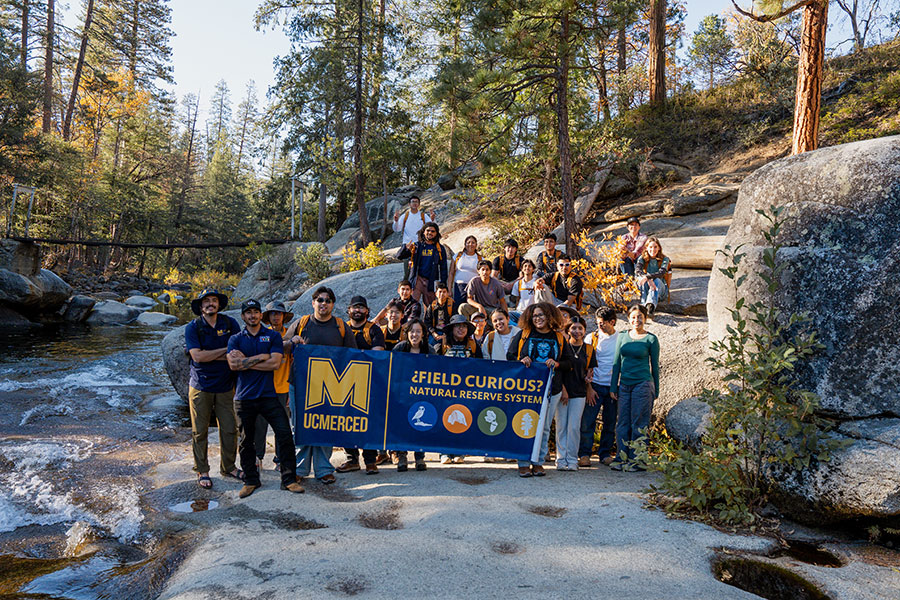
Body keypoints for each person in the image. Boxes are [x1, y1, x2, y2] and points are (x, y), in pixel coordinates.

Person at [227, 299, 304, 498]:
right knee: (246, 440)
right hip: (244, 397)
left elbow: (275, 363)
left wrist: (247, 361)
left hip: (269, 396)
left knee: (285, 434)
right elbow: (234, 366)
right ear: (243, 316)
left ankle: (288, 479)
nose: (252, 315)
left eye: (256, 312)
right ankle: (251, 480)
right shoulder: (235, 339)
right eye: (248, 312)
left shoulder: (272, 336)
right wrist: (263, 357)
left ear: (261, 315)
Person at [293, 286, 358, 483]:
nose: (323, 303)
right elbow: (283, 344)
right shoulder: (301, 323)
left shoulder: (340, 326)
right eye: (320, 300)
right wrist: (292, 340)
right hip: (300, 384)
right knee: (300, 427)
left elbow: (352, 356)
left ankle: (323, 469)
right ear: (313, 303)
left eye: (328, 300)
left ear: (333, 304)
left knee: (325, 426)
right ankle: (299, 470)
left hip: (331, 387)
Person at [184, 288, 242, 489]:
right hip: (201, 386)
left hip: (226, 386)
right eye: (206, 301)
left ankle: (229, 467)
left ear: (219, 304)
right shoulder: (193, 327)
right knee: (199, 432)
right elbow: (197, 357)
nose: (210, 304)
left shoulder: (229, 323)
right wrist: (225, 352)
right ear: (201, 306)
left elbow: (238, 352)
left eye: (214, 300)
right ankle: (202, 470)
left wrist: (210, 354)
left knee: (229, 429)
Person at [507, 302, 574, 478]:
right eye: (535, 315)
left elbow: (569, 362)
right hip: (526, 390)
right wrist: (522, 360)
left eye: (541, 315)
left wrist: (557, 363)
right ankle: (523, 462)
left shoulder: (559, 338)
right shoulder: (524, 334)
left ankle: (537, 463)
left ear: (550, 316)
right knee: (524, 424)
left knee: (544, 428)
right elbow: (510, 356)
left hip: (552, 388)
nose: (538, 319)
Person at [335, 296, 386, 474]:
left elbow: (378, 355)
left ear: (367, 311)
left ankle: (370, 461)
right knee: (345, 422)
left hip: (367, 383)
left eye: (361, 308)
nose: (358, 311)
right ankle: (352, 459)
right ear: (348, 310)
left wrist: (352, 356)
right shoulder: (341, 328)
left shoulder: (373, 330)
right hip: (342, 382)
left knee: (366, 422)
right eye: (354, 308)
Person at [609, 305, 660, 471]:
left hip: (643, 384)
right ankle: (621, 458)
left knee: (639, 422)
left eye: (639, 317)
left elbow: (655, 367)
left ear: (645, 318)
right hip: (624, 384)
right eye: (633, 317)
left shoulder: (651, 339)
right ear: (628, 319)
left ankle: (637, 461)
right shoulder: (623, 336)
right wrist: (613, 386)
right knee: (622, 422)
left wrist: (656, 390)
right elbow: (616, 362)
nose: (636, 320)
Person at [253, 301, 298, 472]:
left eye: (279, 313)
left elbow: (295, 364)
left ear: (284, 316)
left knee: (282, 427)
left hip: (283, 388)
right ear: (267, 317)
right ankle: (258, 458)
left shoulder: (291, 334)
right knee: (260, 425)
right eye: (272, 314)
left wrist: (291, 391)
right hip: (264, 388)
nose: (275, 317)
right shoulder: (262, 334)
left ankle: (280, 459)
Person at [437, 314, 482, 464]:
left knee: (463, 420)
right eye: (458, 326)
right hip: (445, 391)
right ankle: (443, 453)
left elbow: (483, 366)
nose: (461, 329)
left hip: (466, 391)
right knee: (445, 420)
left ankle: (459, 452)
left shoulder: (473, 345)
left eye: (463, 326)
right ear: (452, 329)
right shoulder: (442, 345)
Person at [580, 307, 620, 467]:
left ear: (612, 322)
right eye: (598, 323)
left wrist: (615, 387)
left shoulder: (621, 338)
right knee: (588, 421)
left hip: (613, 386)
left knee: (610, 422)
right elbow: (586, 365)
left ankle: (605, 453)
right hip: (595, 385)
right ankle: (584, 453)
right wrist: (588, 388)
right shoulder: (592, 338)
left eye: (602, 324)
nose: (600, 327)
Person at [556, 316, 597, 471]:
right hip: (562, 391)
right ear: (568, 330)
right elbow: (558, 371)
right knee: (561, 426)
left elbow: (589, 370)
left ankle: (572, 459)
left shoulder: (588, 349)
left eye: (580, 328)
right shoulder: (562, 347)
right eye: (573, 328)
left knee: (574, 426)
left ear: (585, 331)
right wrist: (563, 390)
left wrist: (588, 381)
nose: (577, 331)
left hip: (579, 392)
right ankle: (561, 459)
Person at [391, 318, 431, 471]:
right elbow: (392, 370)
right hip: (402, 395)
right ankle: (402, 456)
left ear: (423, 334)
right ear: (407, 333)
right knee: (402, 425)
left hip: (422, 395)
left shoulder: (429, 349)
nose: (415, 334)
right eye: (412, 331)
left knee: (419, 426)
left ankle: (419, 457)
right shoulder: (400, 348)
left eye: (418, 331)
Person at [396, 222, 448, 305]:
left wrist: (443, 283)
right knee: (411, 304)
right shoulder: (416, 246)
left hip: (431, 280)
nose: (430, 233)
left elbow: (443, 267)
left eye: (433, 231)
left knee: (430, 306)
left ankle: (427, 319)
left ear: (436, 233)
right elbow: (399, 256)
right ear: (423, 232)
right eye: (428, 230)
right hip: (417, 279)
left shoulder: (440, 248)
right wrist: (405, 249)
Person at [393, 195, 436, 281]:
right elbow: (397, 229)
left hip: (420, 245)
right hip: (408, 246)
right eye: (413, 202)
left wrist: (433, 220)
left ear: (419, 204)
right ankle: (406, 291)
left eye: (416, 202)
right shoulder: (405, 216)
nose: (415, 204)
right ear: (409, 204)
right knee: (408, 272)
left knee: (421, 270)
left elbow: (432, 228)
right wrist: (396, 221)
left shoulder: (423, 216)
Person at [635, 236, 670, 315]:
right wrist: (648, 279)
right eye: (650, 247)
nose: (653, 250)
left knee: (656, 280)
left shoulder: (665, 259)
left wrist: (648, 277)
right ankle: (645, 305)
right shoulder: (642, 258)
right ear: (646, 248)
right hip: (647, 286)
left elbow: (662, 272)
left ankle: (650, 306)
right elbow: (638, 270)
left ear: (659, 248)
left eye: (655, 247)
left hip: (660, 289)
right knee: (641, 279)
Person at [447, 235, 482, 305]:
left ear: (476, 245)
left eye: (473, 242)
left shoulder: (480, 259)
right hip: (459, 286)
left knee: (471, 308)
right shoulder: (458, 256)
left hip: (474, 287)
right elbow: (451, 273)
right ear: (465, 245)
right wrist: (449, 289)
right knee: (458, 307)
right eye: (468, 242)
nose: (470, 244)